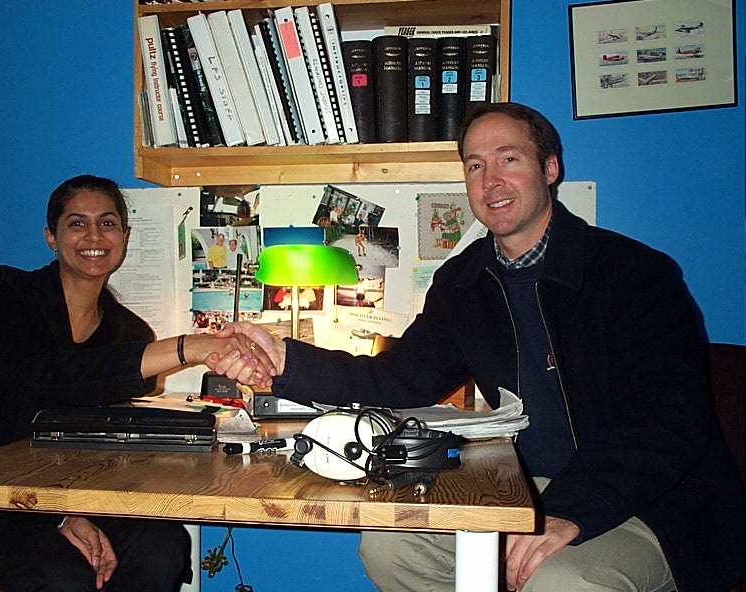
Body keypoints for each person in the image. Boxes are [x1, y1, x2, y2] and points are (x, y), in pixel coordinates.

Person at [211, 103, 746, 592]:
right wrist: (288, 363)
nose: (490, 180)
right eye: (473, 165)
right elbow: (397, 379)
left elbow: (669, 423)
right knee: (390, 547)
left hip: (646, 503)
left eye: (508, 159)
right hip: (519, 489)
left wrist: (564, 513)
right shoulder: (463, 283)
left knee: (557, 582)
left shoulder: (635, 274)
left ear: (550, 168)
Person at [0, 175, 274, 592]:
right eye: (77, 223)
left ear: (124, 235)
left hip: (77, 493)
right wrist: (191, 346)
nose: (94, 236)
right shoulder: (4, 292)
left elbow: (109, 419)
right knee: (63, 575)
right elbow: (59, 378)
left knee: (163, 546)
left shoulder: (129, 330)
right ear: (51, 236)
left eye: (107, 223)